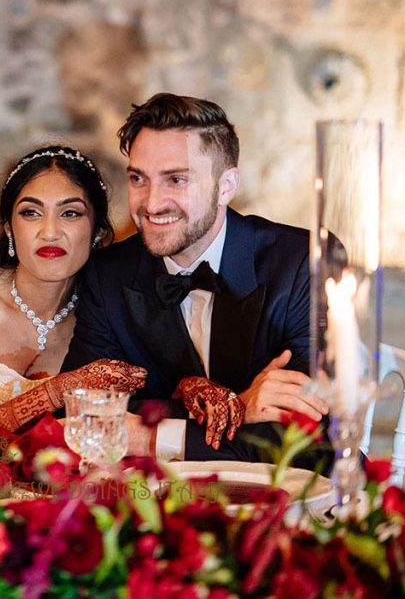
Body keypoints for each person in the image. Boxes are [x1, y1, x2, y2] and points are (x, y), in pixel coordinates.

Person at [62, 94, 330, 463]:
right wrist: (240, 407)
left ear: (226, 186)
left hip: (293, 500)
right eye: (139, 179)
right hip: (157, 503)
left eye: (176, 179)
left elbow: (304, 438)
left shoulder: (303, 262)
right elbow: (83, 417)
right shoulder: (108, 275)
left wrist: (144, 435)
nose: (152, 203)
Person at [0, 145, 147, 434]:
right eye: (31, 213)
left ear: (98, 232)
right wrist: (61, 389)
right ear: (8, 229)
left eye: (70, 213)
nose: (50, 232)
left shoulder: (107, 313)